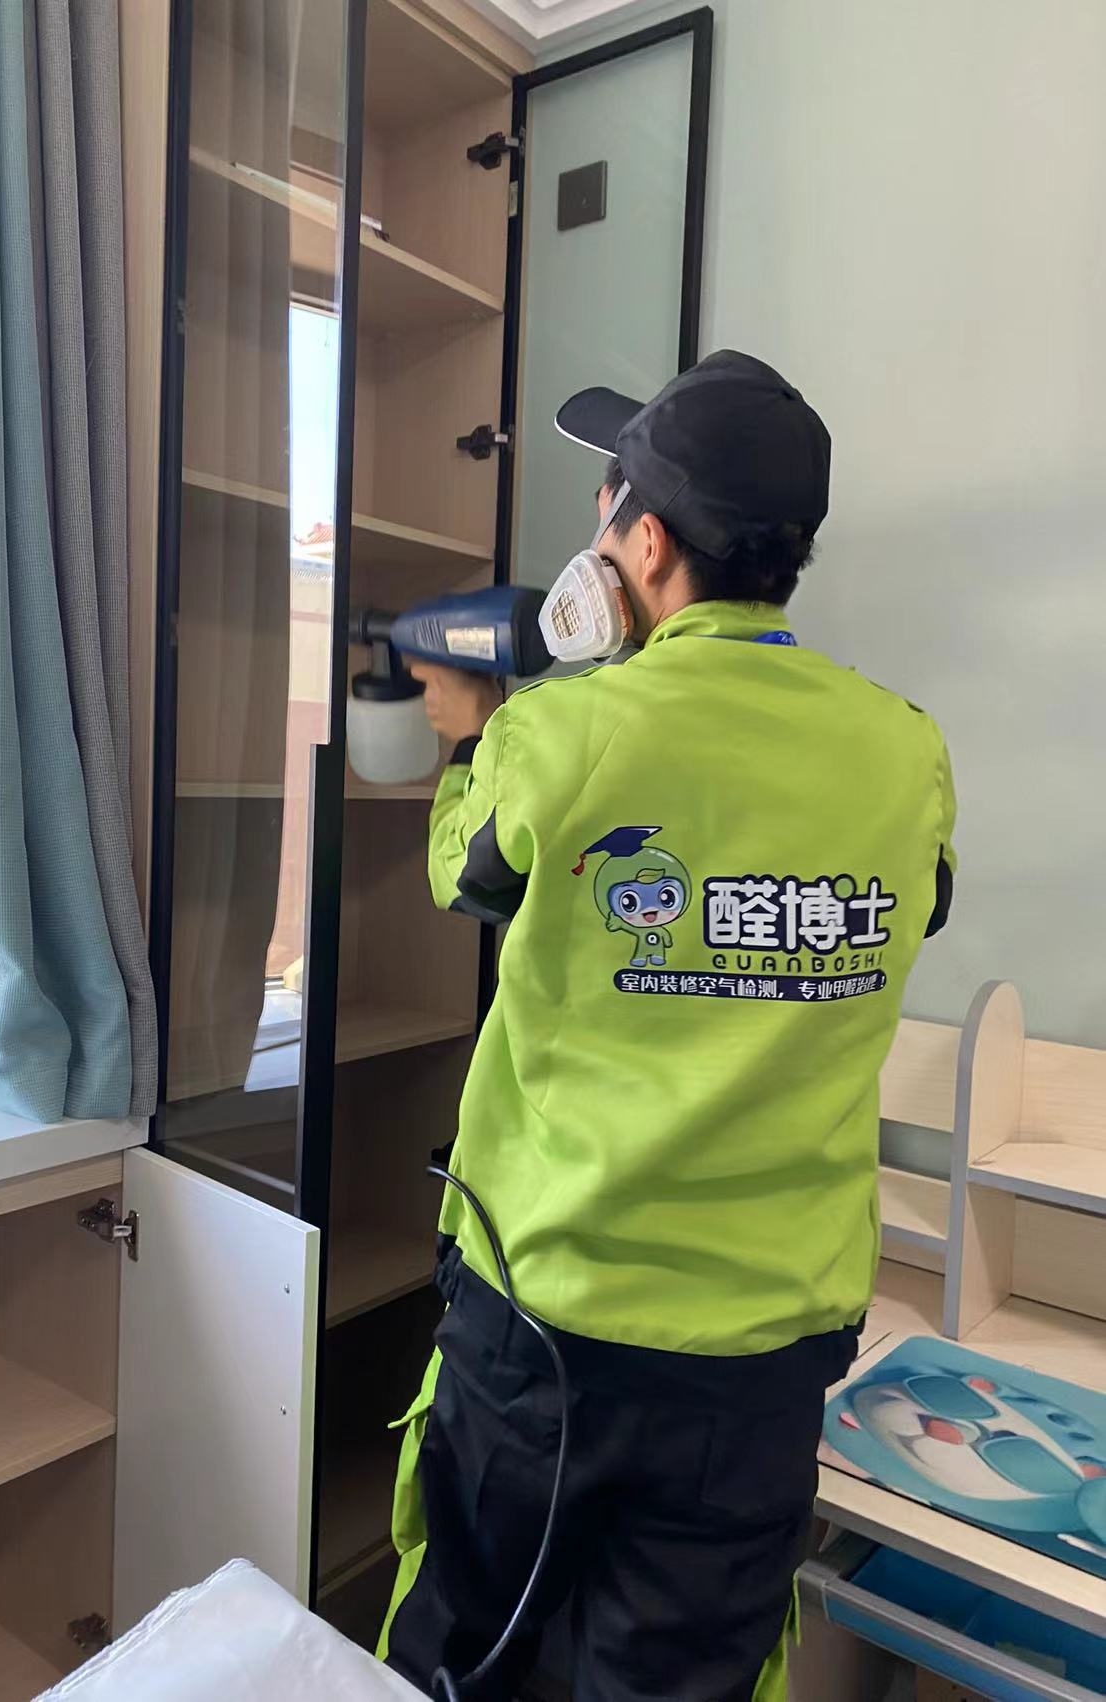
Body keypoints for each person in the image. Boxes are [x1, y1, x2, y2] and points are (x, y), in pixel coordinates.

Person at [378, 350, 956, 1702]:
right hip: (758, 1370)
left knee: (465, 1659)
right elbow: (917, 907)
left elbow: (465, 873)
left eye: (607, 504)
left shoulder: (560, 733)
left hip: (547, 1327)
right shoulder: (905, 747)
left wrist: (470, 725)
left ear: (643, 543)